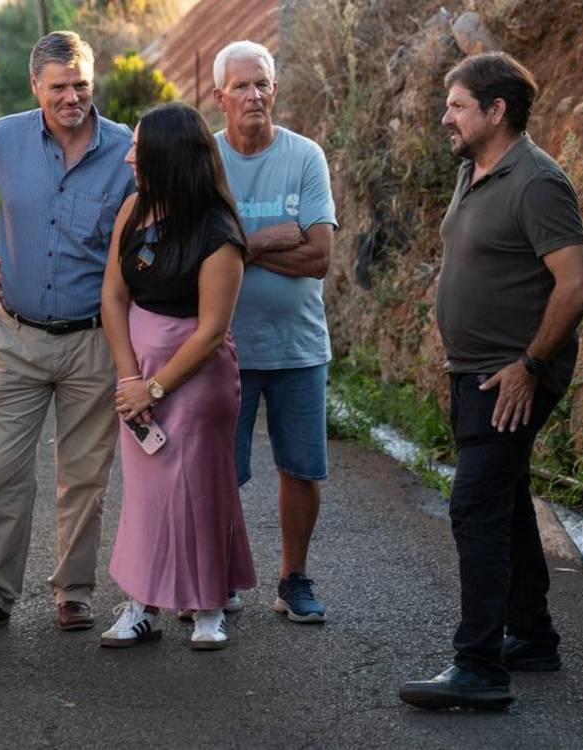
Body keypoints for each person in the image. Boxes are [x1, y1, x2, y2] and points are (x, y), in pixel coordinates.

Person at [399, 52, 583, 711]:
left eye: (456, 105)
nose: (444, 115)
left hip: (511, 376)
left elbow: (576, 284)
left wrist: (529, 366)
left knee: (473, 509)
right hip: (473, 372)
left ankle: (478, 665)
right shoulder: (472, 170)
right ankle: (532, 637)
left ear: (494, 110)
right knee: (504, 502)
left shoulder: (536, 182)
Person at [0, 31, 136, 635]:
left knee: (85, 476)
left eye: (80, 84)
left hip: (94, 340)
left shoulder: (126, 148)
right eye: (58, 86)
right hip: (17, 338)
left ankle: (74, 591)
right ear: (36, 87)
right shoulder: (4, 138)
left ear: (92, 81)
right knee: (1, 470)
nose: (71, 97)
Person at [98, 103, 256, 650]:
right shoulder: (134, 209)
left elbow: (212, 330)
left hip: (197, 377)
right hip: (137, 373)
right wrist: (128, 380)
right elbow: (113, 297)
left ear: (169, 157)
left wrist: (156, 386)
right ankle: (142, 603)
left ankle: (209, 606)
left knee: (198, 487)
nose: (129, 156)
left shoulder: (220, 231)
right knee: (146, 494)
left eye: (140, 149)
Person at [211, 40, 337, 624]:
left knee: (302, 469)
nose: (254, 95)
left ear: (275, 90)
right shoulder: (204, 160)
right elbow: (197, 252)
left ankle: (293, 579)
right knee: (218, 471)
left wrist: (239, 245)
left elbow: (319, 258)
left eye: (262, 83)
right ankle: (220, 576)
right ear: (220, 97)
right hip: (221, 347)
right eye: (241, 86)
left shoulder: (306, 156)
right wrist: (274, 236)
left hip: (298, 346)